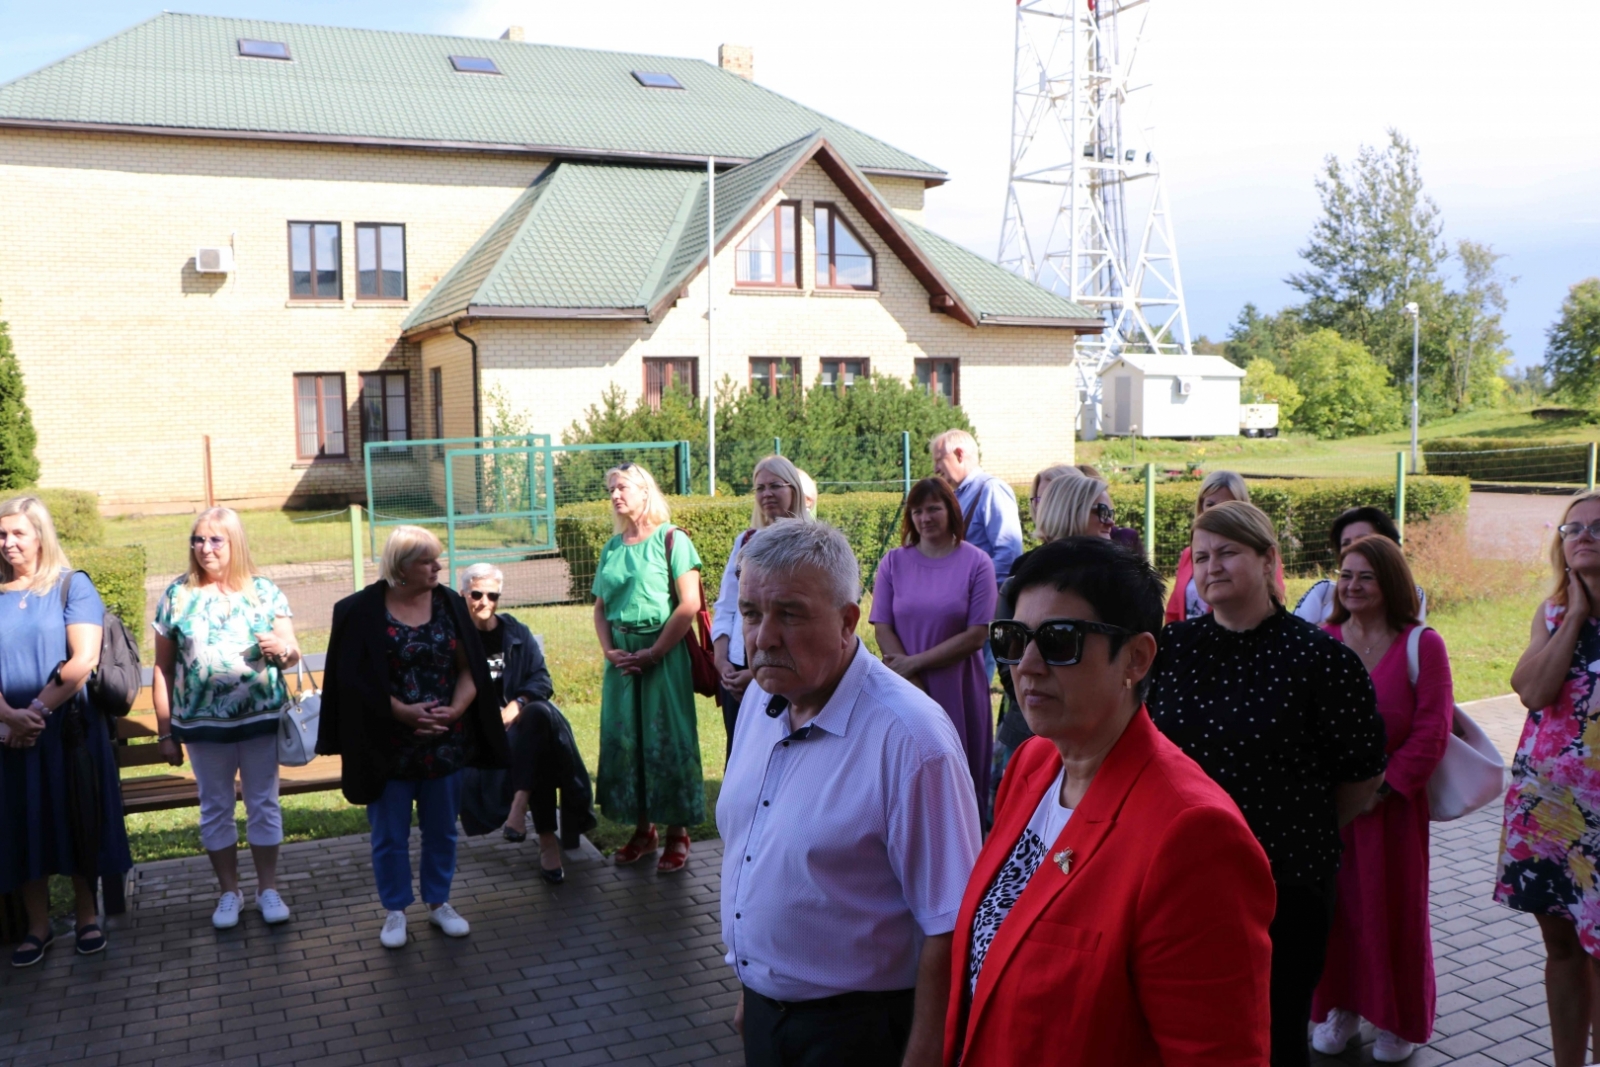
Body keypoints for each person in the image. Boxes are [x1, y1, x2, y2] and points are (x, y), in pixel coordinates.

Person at [946, 537, 1274, 1065]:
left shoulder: (1192, 836)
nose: (1025, 666)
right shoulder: (1032, 766)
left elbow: (1218, 1053)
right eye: (1013, 638)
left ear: (1137, 658)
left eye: (1058, 640)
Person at [719, 520, 980, 1067]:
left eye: (789, 614)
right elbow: (754, 852)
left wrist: (924, 1056)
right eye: (750, 613)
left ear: (846, 622)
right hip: (768, 1017)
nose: (763, 637)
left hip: (860, 1033)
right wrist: (754, 990)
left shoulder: (911, 740)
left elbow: (950, 925)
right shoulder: (761, 706)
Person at [1146, 500, 1388, 1067]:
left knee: (1274, 1034)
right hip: (1183, 878)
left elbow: (1363, 772)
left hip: (1287, 881)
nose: (1212, 567)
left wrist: (1300, 825)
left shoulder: (1320, 659)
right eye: (1201, 557)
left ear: (1267, 559)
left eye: (1228, 552)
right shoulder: (1171, 651)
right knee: (1190, 1032)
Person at [316, 525, 508, 949]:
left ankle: (439, 903)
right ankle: (395, 910)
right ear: (400, 567)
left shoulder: (449, 604)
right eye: (426, 560)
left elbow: (469, 667)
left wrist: (456, 710)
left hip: (444, 739)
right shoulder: (361, 610)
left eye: (436, 558)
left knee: (443, 830)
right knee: (389, 834)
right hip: (386, 743)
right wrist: (400, 712)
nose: (437, 566)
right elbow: (350, 681)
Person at [1311, 536, 1452, 1063]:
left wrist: (1381, 787)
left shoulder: (1422, 643)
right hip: (1331, 810)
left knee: (1396, 912)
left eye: (1365, 576)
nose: (1352, 585)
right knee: (1336, 914)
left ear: (1390, 581)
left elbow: (1433, 729)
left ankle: (1398, 1020)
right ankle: (1340, 1008)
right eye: (1345, 575)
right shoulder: (1322, 639)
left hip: (1393, 811)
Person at [152, 507, 302, 930]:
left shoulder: (264, 591)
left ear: (235, 543)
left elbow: (292, 654)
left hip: (259, 721)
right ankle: (228, 892)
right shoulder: (177, 595)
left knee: (263, 804)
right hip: (202, 726)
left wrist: (282, 650)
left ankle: (267, 889)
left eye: (215, 540)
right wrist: (166, 732)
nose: (204, 548)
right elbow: (162, 669)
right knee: (216, 807)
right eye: (197, 540)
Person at [0, 495, 129, 967]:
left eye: (18, 533)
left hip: (67, 733)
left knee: (77, 818)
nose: (8, 543)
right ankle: (38, 927)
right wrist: (8, 718)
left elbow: (83, 660)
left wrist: (31, 712)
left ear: (40, 535)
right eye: (2, 534)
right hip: (9, 737)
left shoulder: (72, 587)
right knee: (20, 825)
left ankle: (86, 916)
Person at [1498, 490, 1600, 1067]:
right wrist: (1579, 616)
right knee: (1561, 947)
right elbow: (1532, 690)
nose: (1583, 536)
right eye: (1572, 529)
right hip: (1549, 809)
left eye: (1597, 528)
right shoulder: (1555, 612)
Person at [591, 462, 706, 873]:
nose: (615, 496)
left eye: (621, 487)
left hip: (663, 655)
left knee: (668, 739)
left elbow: (689, 605)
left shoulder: (671, 539)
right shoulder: (612, 546)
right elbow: (600, 608)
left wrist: (655, 652)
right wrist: (609, 651)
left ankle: (678, 833)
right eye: (611, 490)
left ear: (644, 491)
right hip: (622, 659)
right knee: (628, 743)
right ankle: (644, 830)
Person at [989, 472, 1122, 818]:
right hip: (1032, 729)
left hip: (1100, 740)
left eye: (1110, 511)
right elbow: (1008, 653)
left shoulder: (1121, 580)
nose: (1112, 520)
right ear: (1073, 511)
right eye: (1103, 511)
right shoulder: (1026, 574)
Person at [460, 564, 596, 885]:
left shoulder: (515, 632)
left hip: (519, 726)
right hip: (477, 735)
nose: (484, 602)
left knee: (537, 716)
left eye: (492, 595)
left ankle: (519, 809)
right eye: (476, 594)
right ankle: (547, 841)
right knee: (542, 747)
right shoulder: (455, 638)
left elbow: (541, 679)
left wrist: (515, 705)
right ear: (463, 594)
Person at [871, 477, 997, 802]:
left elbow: (976, 635)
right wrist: (911, 680)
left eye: (933, 509)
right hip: (904, 690)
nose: (924, 518)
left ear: (950, 511)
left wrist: (914, 663)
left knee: (961, 788)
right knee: (907, 786)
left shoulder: (977, 563)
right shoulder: (893, 563)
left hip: (960, 691)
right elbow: (882, 626)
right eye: (916, 511)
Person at [711, 455, 811, 757]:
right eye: (759, 488)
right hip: (737, 669)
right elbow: (727, 606)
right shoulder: (746, 541)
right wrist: (722, 661)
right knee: (740, 756)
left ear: (792, 488)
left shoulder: (809, 540)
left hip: (785, 665)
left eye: (775, 486)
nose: (766, 494)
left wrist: (757, 676)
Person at [1163, 470, 1282, 625]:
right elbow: (1174, 610)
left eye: (1227, 505)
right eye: (1210, 504)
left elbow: (1274, 602)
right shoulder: (1189, 555)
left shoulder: (1260, 555)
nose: (1217, 512)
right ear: (1201, 507)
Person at [1294, 506, 1428, 624]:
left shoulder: (1412, 595)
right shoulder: (1323, 593)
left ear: (1388, 547)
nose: (1354, 548)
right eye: (1346, 543)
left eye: (1364, 540)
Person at [931, 429, 1022, 589]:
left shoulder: (991, 489)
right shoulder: (957, 495)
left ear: (959, 454)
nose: (936, 469)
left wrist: (980, 592)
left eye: (939, 460)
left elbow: (1009, 552)